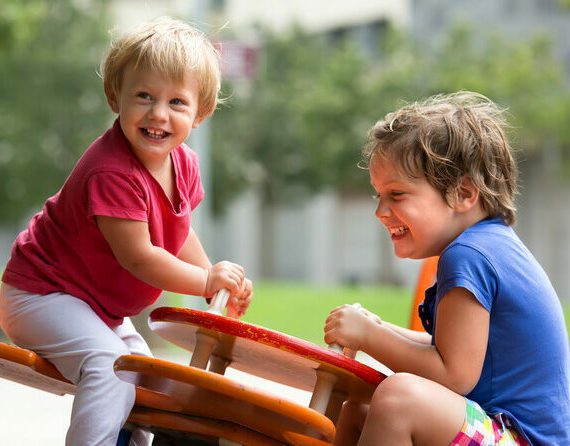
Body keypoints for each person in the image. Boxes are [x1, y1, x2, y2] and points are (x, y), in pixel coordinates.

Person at [0, 17, 252, 446]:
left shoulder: (184, 163)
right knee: (111, 365)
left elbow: (176, 232)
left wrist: (211, 281)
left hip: (93, 306)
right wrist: (205, 280)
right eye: (144, 96)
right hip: (40, 295)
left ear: (200, 113)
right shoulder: (112, 170)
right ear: (115, 96)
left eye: (176, 102)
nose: (158, 113)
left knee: (148, 377)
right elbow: (141, 257)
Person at [324, 91, 570, 445]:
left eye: (397, 194)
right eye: (379, 195)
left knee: (398, 400)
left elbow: (454, 375)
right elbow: (453, 349)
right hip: (500, 430)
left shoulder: (469, 254)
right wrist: (379, 329)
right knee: (357, 411)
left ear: (463, 194)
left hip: (518, 438)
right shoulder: (488, 245)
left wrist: (370, 337)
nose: (380, 211)